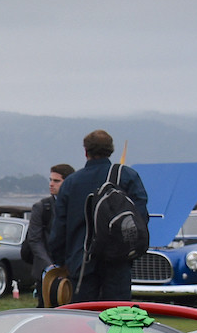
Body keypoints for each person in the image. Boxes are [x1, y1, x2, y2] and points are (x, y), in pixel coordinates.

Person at [48, 129, 149, 303]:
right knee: (117, 318)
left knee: (82, 319)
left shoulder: (71, 182)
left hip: (81, 261)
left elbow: (60, 227)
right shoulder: (126, 176)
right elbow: (140, 219)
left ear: (85, 151)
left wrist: (60, 260)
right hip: (118, 261)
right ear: (111, 150)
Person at [27, 164, 75, 304]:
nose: (51, 184)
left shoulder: (76, 206)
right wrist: (49, 266)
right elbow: (34, 240)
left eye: (56, 181)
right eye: (50, 180)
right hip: (46, 269)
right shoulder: (41, 207)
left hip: (70, 268)